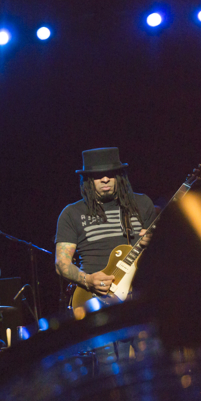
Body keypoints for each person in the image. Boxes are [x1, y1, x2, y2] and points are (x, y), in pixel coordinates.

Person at [55, 147, 155, 367]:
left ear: (120, 176)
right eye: (98, 175)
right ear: (87, 180)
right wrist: (87, 280)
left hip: (141, 301)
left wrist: (155, 243)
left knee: (150, 369)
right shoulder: (72, 214)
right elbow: (62, 264)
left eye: (111, 173)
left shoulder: (142, 205)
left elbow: (169, 252)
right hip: (98, 301)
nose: (105, 178)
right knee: (109, 371)